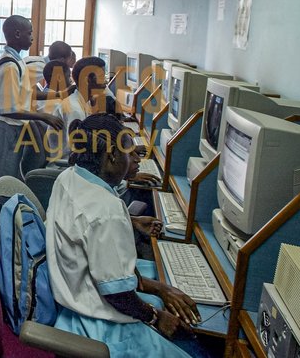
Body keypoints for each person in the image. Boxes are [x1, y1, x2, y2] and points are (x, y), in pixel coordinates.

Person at [46, 114, 203, 358]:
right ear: (111, 156)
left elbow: (84, 224)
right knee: (196, 350)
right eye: (130, 154)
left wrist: (130, 222)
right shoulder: (107, 210)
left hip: (70, 297)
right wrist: (155, 316)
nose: (134, 161)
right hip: (99, 326)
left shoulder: (69, 176)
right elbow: (117, 294)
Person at [0, 15, 63, 192]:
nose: (32, 38)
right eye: (30, 33)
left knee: (10, 177)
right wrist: (44, 116)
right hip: (8, 129)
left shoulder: (17, 60)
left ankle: (3, 216)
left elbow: (25, 94)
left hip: (15, 129)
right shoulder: (9, 66)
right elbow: (9, 110)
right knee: (0, 183)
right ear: (18, 34)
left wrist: (57, 94)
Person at [48, 56, 107, 160]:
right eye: (102, 76)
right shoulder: (75, 109)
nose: (106, 81)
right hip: (66, 165)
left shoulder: (83, 101)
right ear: (88, 79)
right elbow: (77, 150)